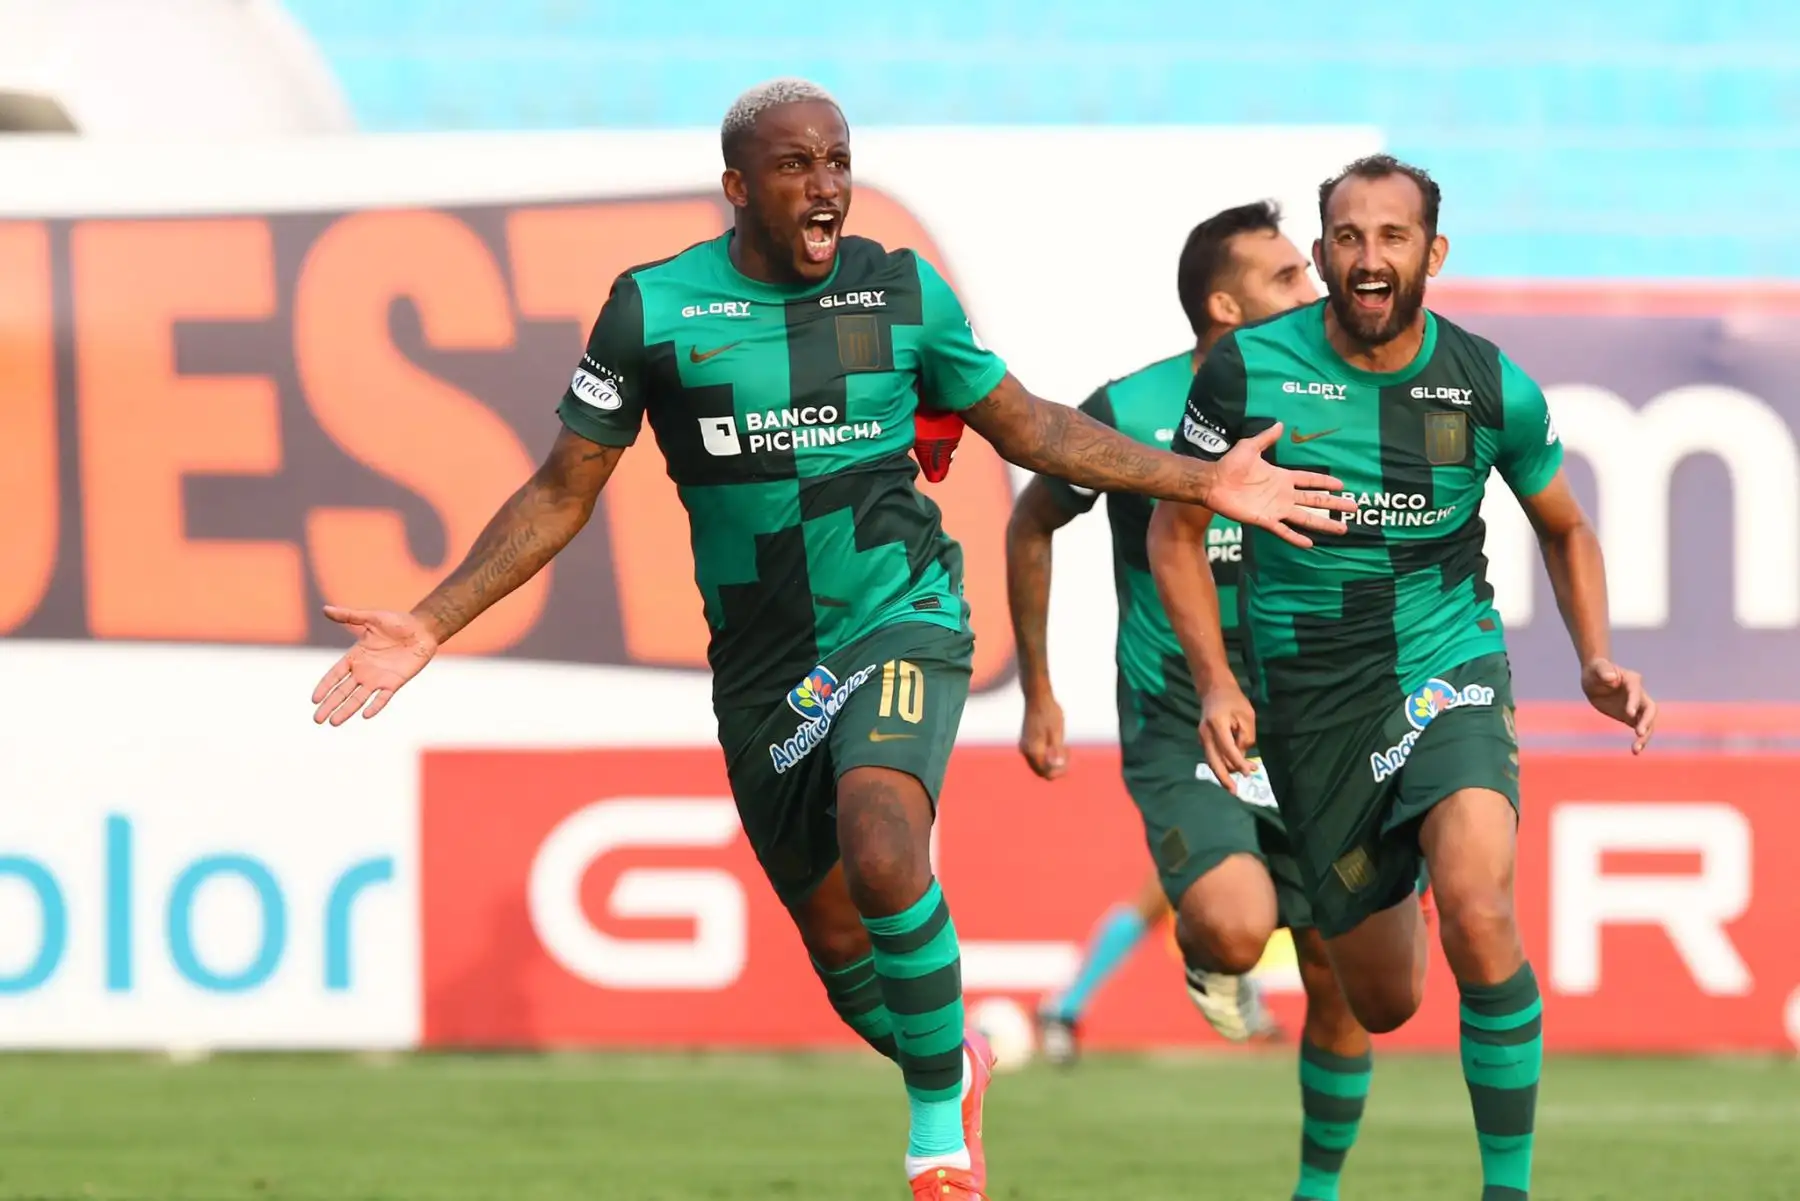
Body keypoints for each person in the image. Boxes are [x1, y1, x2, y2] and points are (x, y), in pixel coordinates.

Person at [306, 79, 1356, 1201]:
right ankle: (955, 1063)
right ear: (737, 186)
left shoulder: (899, 291)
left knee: (884, 837)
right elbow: (563, 491)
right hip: (765, 671)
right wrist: (432, 620)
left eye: (839, 161)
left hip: (901, 612)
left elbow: (1031, 426)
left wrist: (1205, 480)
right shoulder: (653, 310)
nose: (826, 186)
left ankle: (936, 1138)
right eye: (796, 165)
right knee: (845, 952)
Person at [1149, 155, 1658, 1201]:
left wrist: (1595, 656)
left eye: (1392, 236)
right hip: (1312, 706)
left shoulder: (1489, 384)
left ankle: (1506, 1188)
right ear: (1324, 251)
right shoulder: (1245, 371)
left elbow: (1565, 527)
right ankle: (1405, 849)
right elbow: (1175, 530)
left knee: (1479, 906)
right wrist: (1215, 681)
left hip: (1444, 665)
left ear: (1434, 252)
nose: (1369, 257)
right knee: (1384, 1002)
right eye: (1348, 237)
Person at [1011, 202, 1376, 1201]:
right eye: (1287, 277)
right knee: (1235, 922)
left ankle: (1317, 1191)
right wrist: (1039, 688)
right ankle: (1211, 959)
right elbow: (1031, 522)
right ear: (1224, 305)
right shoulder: (1131, 408)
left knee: (1347, 978)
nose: (1312, 289)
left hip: (1314, 715)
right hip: (1178, 710)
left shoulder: (1340, 400)